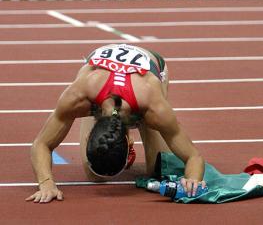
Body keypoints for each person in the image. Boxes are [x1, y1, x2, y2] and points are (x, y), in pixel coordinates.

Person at [25, 44, 205, 203]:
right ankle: (112, 122)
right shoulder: (78, 97)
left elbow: (193, 157)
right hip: (98, 89)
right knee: (94, 175)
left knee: (160, 170)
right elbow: (41, 144)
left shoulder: (154, 106)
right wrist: (46, 183)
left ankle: (143, 123)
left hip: (148, 75)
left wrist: (193, 181)